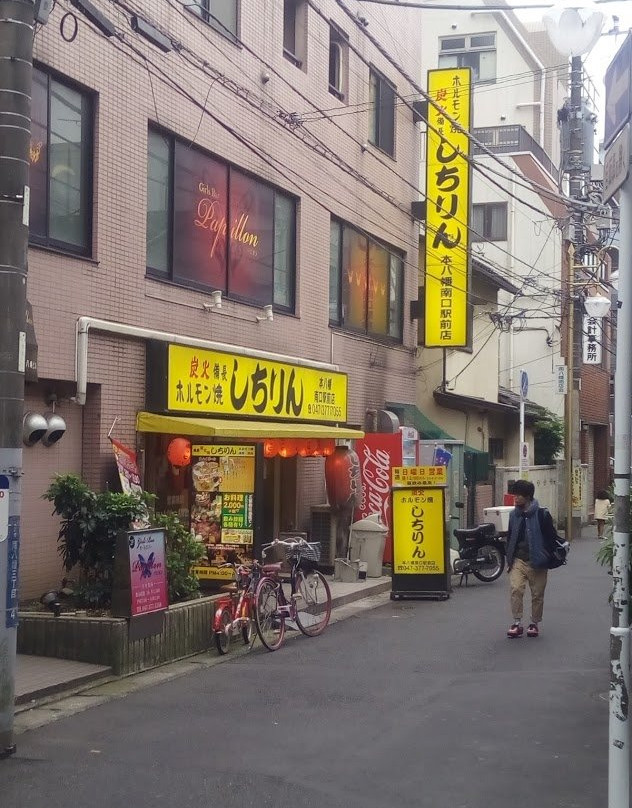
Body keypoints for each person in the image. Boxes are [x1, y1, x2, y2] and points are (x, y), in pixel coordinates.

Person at [505, 479, 558, 639]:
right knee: (516, 589)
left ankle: (534, 623)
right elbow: (510, 536)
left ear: (528, 497)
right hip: (518, 560)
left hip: (538, 561)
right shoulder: (514, 515)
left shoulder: (543, 514)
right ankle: (517, 623)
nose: (516, 498)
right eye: (515, 495)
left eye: (519, 495)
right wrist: (509, 557)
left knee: (537, 594)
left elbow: (551, 538)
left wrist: (547, 556)